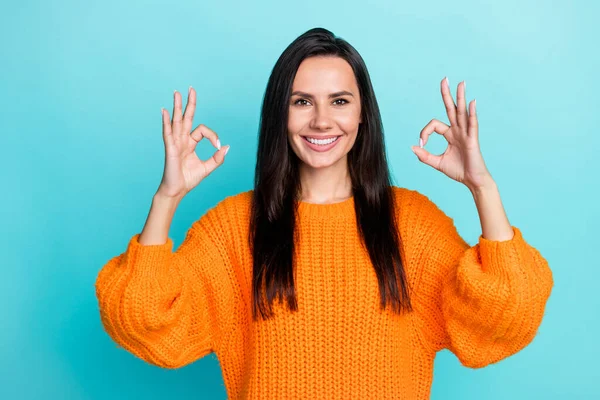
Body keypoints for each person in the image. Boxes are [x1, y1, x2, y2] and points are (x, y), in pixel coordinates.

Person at [94, 27, 554, 399]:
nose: (320, 121)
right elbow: (141, 317)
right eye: (301, 102)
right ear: (281, 115)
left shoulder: (412, 225)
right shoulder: (235, 229)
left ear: (362, 117)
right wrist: (167, 197)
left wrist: (482, 187)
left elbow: (508, 314)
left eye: (339, 101)